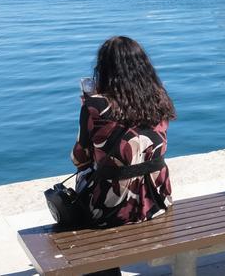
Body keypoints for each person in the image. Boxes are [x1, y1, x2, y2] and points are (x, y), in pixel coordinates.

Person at [71, 36, 174, 231]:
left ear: (104, 69)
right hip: (159, 200)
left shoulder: (95, 106)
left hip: (110, 210)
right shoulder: (160, 98)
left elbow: (79, 159)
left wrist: (87, 109)